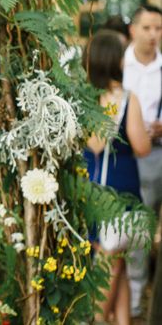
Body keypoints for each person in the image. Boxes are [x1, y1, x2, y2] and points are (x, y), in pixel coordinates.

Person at [83, 30, 151, 325]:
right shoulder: (126, 98)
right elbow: (141, 147)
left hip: (90, 187)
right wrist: (146, 131)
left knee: (114, 260)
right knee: (110, 265)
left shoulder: (84, 100)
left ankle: (123, 322)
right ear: (113, 60)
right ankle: (97, 320)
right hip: (119, 191)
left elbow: (89, 144)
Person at [122, 4, 162, 317]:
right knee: (128, 227)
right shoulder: (120, 65)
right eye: (147, 28)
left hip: (157, 151)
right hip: (124, 155)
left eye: (159, 29)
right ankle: (127, 298)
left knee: (145, 227)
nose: (153, 35)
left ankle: (140, 294)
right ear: (133, 29)